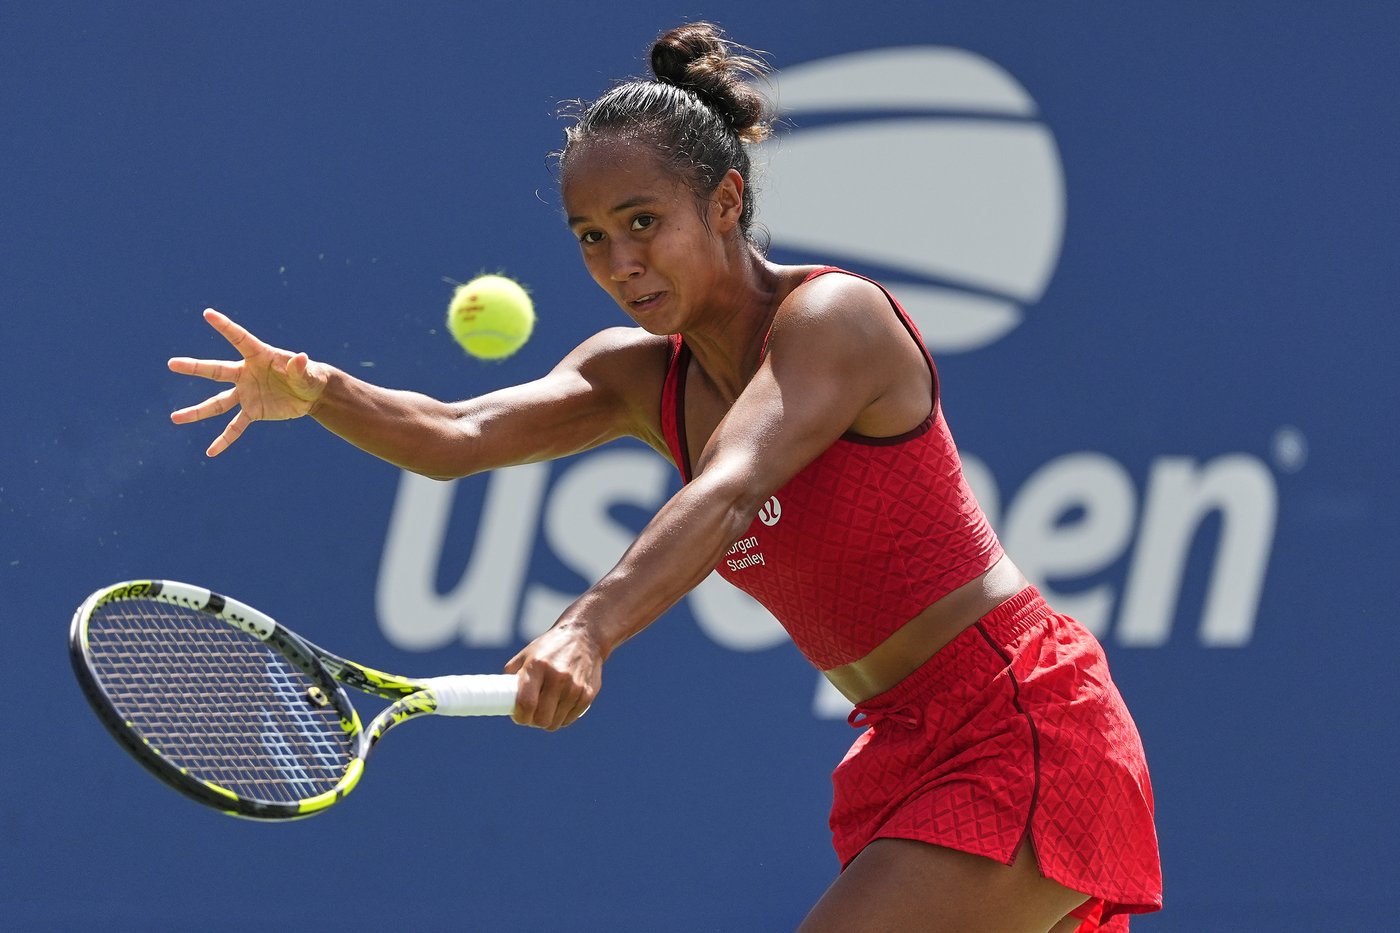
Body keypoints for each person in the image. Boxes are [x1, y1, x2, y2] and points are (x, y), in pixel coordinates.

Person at [168, 22, 1162, 932]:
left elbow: (729, 487)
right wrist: (319, 388)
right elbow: (459, 433)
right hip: (901, 744)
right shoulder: (636, 374)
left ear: (724, 202)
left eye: (642, 221)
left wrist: (585, 625)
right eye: (591, 237)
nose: (618, 260)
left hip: (1016, 719)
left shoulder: (834, 319)